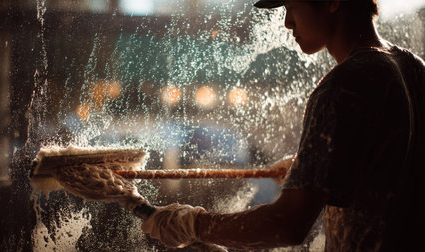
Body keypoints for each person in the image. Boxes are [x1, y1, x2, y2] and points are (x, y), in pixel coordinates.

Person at [140, 0, 425, 251]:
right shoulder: (414, 69)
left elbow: (288, 224)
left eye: (291, 7)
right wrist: (313, 167)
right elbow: (389, 169)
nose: (288, 22)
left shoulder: (343, 86)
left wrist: (193, 225)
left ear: (332, 2)